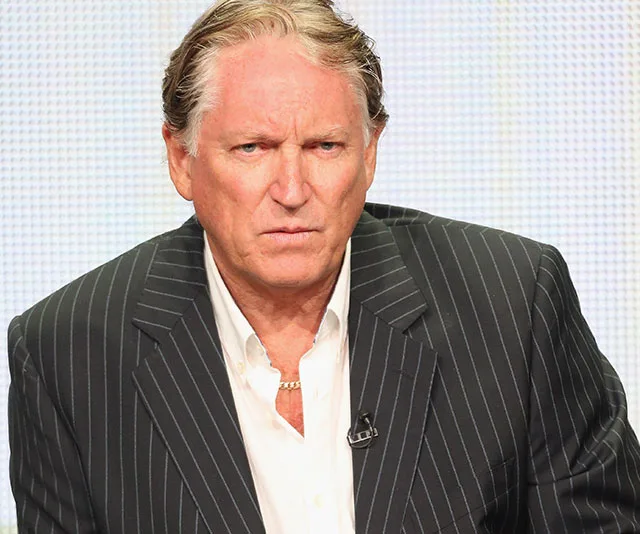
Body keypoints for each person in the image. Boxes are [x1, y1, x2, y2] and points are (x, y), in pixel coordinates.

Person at [7, 0, 640, 532]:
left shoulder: (514, 304)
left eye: (324, 146)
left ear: (369, 154)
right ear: (181, 159)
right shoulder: (67, 354)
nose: (291, 188)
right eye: (252, 147)